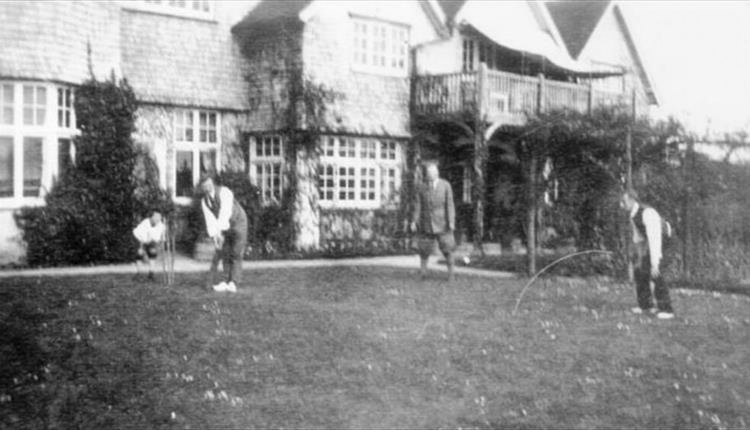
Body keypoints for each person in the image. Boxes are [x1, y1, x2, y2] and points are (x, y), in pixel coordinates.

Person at [621, 189, 674, 319]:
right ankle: (645, 306)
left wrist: (655, 263)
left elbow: (655, 239)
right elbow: (638, 239)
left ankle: (667, 310)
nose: (622, 204)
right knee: (640, 270)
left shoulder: (648, 214)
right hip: (651, 241)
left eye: (624, 201)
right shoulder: (633, 214)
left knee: (657, 273)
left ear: (633, 200)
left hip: (663, 241)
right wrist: (639, 258)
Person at [200, 175, 248, 293]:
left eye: (209, 182)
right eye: (204, 185)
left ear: (212, 182)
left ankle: (233, 283)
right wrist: (215, 236)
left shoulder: (224, 192)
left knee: (236, 253)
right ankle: (226, 281)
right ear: (202, 187)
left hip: (238, 223)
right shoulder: (204, 201)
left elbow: (224, 213)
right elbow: (210, 220)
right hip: (225, 226)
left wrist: (220, 231)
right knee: (225, 253)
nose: (207, 186)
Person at [411, 161, 457, 280]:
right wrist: (414, 221)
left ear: (437, 173)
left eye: (432, 172)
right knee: (424, 250)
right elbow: (418, 206)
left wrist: (451, 222)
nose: (429, 175)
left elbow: (450, 205)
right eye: (428, 173)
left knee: (448, 249)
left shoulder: (445, 185)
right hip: (426, 224)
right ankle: (423, 273)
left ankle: (451, 274)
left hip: (443, 224)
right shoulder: (421, 187)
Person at [133, 211, 166, 281]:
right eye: (156, 217)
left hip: (152, 241)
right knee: (139, 254)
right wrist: (143, 242)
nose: (158, 219)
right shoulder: (145, 223)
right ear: (151, 217)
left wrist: (160, 242)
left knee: (153, 254)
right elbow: (139, 233)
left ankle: (151, 274)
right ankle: (139, 274)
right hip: (141, 239)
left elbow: (159, 237)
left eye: (159, 217)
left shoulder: (161, 225)